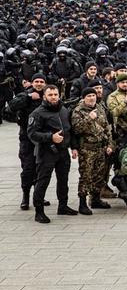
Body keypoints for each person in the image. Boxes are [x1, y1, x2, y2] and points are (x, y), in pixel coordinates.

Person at [26, 84, 76, 223]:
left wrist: (74, 147)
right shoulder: (37, 113)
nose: (53, 97)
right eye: (50, 95)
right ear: (44, 96)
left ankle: (63, 206)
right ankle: (39, 211)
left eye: (55, 95)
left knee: (63, 180)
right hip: (46, 152)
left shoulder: (64, 110)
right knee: (43, 181)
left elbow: (69, 130)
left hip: (62, 152)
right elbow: (32, 134)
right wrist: (50, 137)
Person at [70, 87, 114, 214]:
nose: (91, 98)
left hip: (101, 148)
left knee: (99, 175)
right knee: (86, 176)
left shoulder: (100, 108)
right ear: (84, 98)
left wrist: (110, 144)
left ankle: (95, 199)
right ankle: (82, 203)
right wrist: (89, 118)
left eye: (93, 95)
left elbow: (107, 127)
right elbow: (77, 129)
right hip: (87, 149)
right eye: (88, 96)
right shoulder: (78, 111)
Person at [7, 73, 47, 210]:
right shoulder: (25, 94)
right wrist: (29, 97)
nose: (39, 84)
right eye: (36, 81)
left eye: (42, 81)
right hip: (27, 138)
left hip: (43, 138)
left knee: (41, 169)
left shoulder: (48, 95)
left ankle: (39, 195)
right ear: (32, 82)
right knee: (28, 168)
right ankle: (25, 196)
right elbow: (11, 105)